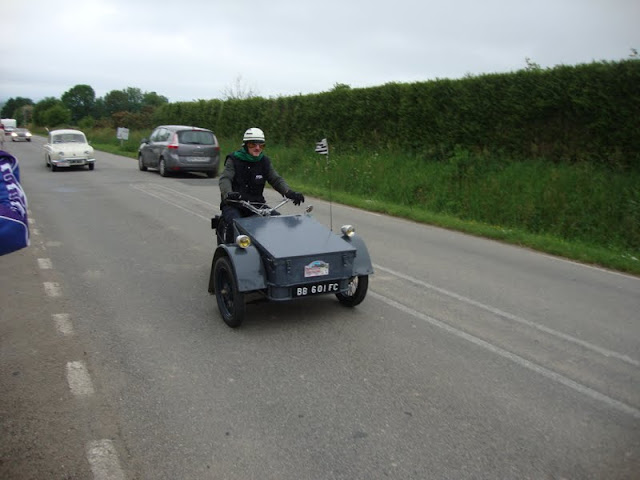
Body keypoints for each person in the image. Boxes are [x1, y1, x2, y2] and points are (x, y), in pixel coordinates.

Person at [218, 127, 304, 243]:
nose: (257, 148)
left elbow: (276, 179)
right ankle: (228, 255)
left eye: (261, 145)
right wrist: (228, 193)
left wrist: (289, 192)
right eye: (253, 144)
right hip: (234, 204)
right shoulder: (234, 159)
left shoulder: (264, 161)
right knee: (235, 225)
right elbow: (225, 178)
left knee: (278, 221)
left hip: (256, 205)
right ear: (245, 145)